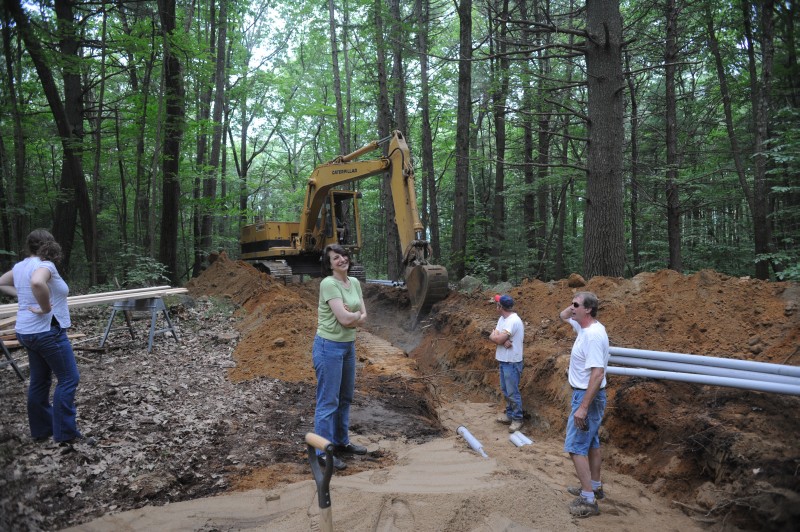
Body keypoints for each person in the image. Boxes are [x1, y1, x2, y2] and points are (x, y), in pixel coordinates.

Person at [0, 229, 93, 445]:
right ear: (48, 245)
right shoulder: (46, 266)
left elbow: (2, 282)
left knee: (40, 381)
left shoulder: (20, 266)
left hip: (26, 332)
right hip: (46, 332)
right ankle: (66, 434)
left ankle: (43, 430)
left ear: (28, 245)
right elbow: (37, 283)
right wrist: (44, 307)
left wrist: (24, 295)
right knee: (69, 378)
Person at [313, 243, 368, 470]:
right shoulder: (328, 284)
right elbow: (347, 320)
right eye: (336, 258)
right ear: (329, 264)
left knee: (345, 398)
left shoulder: (353, 282)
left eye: (343, 255)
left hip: (347, 346)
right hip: (329, 347)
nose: (342, 260)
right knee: (328, 402)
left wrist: (351, 314)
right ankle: (323, 452)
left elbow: (364, 315)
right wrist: (353, 315)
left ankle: (341, 442)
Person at [559, 291, 610, 518]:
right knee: (591, 443)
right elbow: (562, 316)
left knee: (575, 447)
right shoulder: (584, 327)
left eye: (576, 305)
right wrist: (572, 307)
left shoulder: (593, 336)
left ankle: (588, 499)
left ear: (588, 309)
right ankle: (595, 486)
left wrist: (583, 407)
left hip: (587, 396)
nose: (572, 308)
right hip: (586, 395)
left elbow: (597, 374)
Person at [489, 294, 525, 433]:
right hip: (504, 359)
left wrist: (498, 339)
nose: (495, 306)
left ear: (500, 307)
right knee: (505, 390)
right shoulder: (502, 319)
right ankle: (510, 414)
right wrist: (502, 340)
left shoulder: (513, 321)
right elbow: (493, 336)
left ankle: (517, 418)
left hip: (512, 361)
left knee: (512, 392)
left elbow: (495, 338)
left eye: (497, 304)